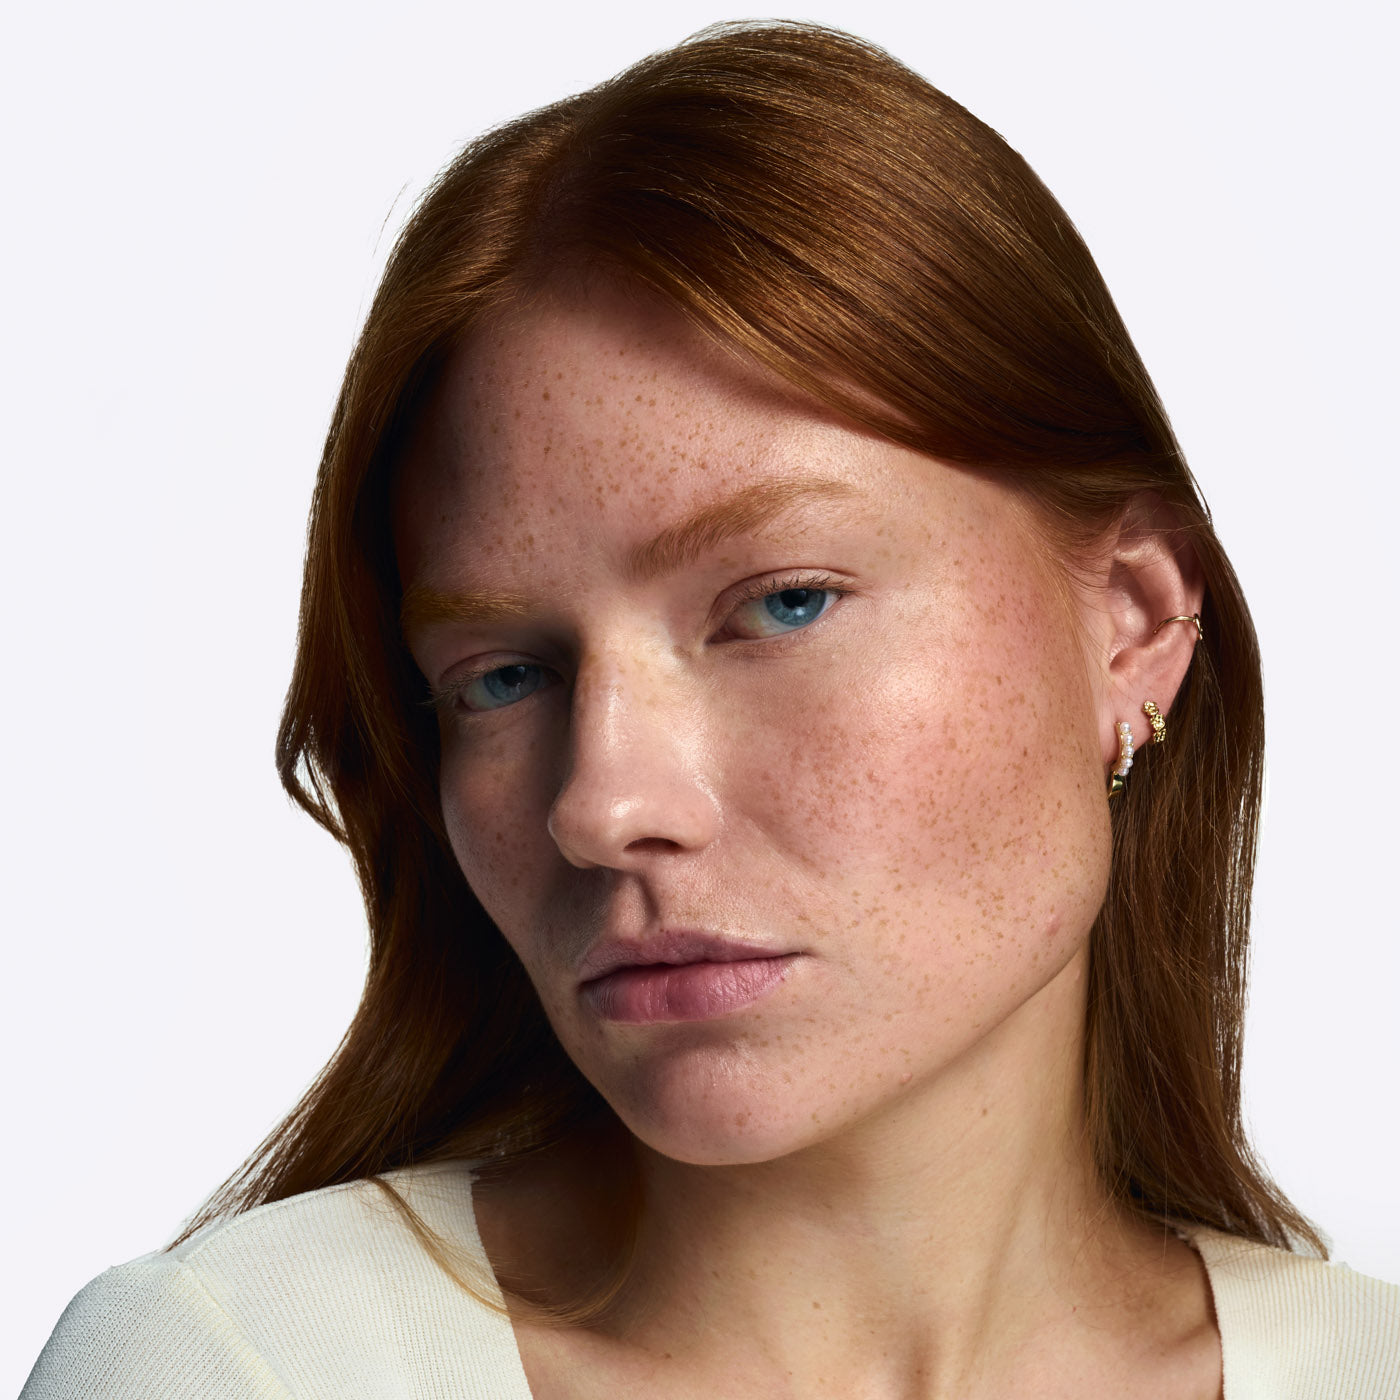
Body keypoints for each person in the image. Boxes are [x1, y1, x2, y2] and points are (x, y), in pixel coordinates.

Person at [21, 20, 1399, 1399]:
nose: (601, 805)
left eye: (785, 603)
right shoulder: (245, 1367)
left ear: (1134, 625)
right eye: (502, 676)